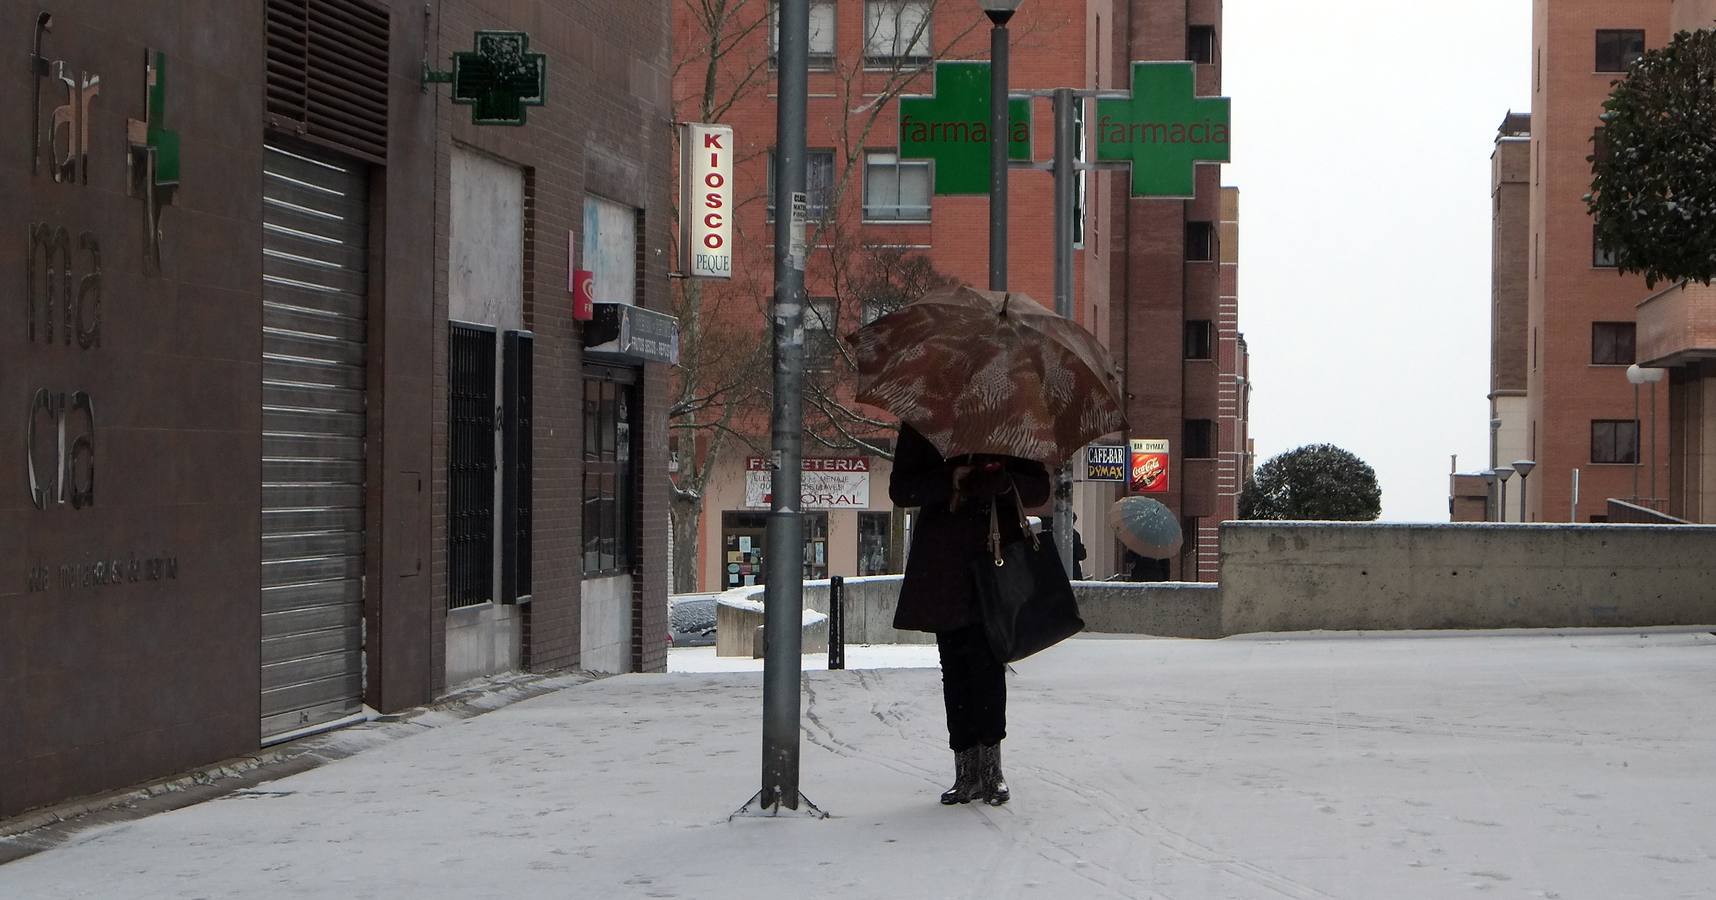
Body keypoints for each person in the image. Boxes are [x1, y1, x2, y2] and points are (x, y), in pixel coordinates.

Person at [890, 423, 1050, 806]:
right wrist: (953, 479)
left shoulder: (1013, 421)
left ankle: (991, 769)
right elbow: (902, 490)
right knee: (956, 667)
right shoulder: (925, 421)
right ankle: (966, 769)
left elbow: (1039, 489)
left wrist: (1002, 480)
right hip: (945, 569)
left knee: (989, 662)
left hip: (995, 563)